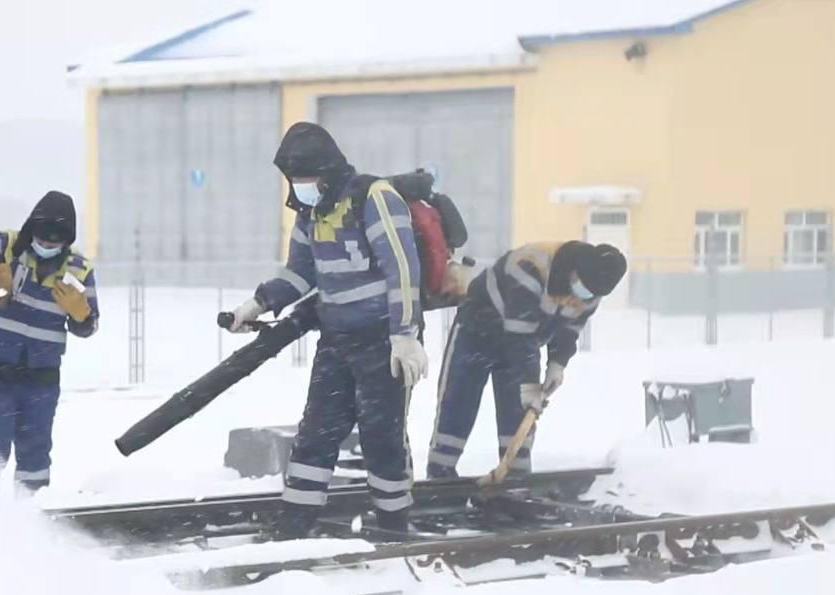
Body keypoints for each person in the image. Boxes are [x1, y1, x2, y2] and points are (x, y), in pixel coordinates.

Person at [224, 122, 428, 536]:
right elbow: (301, 273)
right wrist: (258, 304)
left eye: (307, 179)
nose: (301, 187)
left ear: (328, 172)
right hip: (336, 340)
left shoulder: (374, 198)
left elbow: (402, 269)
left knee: (381, 435)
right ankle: (295, 523)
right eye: (294, 180)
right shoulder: (311, 213)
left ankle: (393, 524)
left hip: (383, 339)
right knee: (316, 432)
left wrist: (404, 335)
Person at [427, 241, 626, 479]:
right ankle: (440, 479)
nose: (581, 297)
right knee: (458, 402)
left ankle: (513, 481)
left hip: (524, 341)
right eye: (582, 288)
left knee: (518, 414)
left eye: (591, 294)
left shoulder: (592, 291)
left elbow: (570, 328)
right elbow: (520, 339)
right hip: (477, 329)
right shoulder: (531, 266)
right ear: (576, 270)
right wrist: (531, 388)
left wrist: (557, 363)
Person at [0, 190, 99, 495]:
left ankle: (31, 522)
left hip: (41, 382)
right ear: (32, 229)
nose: (47, 245)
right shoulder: (8, 247)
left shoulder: (79, 270)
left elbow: (90, 326)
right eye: (42, 238)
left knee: (35, 458)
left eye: (56, 242)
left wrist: (81, 315)